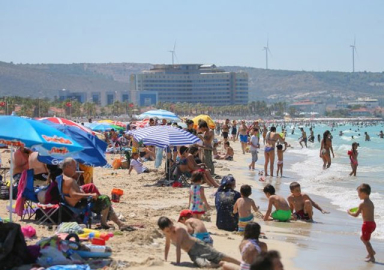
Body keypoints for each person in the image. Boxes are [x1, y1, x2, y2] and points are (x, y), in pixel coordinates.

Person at [61, 157, 134, 231]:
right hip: (79, 204)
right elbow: (73, 194)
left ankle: (119, 224)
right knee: (105, 199)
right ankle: (108, 223)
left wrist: (82, 190)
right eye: (74, 166)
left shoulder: (62, 178)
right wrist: (90, 195)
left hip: (72, 203)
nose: (76, 169)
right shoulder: (69, 180)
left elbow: (70, 192)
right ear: (68, 166)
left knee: (103, 199)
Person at [158, 216, 240, 267]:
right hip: (191, 252)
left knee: (219, 255)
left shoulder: (179, 229)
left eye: (171, 228)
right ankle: (221, 264)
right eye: (167, 231)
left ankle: (242, 264)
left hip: (198, 245)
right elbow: (167, 246)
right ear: (163, 231)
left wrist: (178, 263)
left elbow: (178, 247)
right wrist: (165, 259)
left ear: (172, 223)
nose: (170, 231)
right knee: (204, 265)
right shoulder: (168, 234)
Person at [347, 183, 376, 263]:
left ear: (363, 193)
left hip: (366, 225)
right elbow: (367, 211)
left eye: (359, 194)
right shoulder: (370, 203)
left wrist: (349, 212)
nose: (358, 195)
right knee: (363, 238)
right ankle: (371, 252)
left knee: (366, 241)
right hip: (373, 224)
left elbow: (356, 214)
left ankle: (372, 257)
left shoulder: (362, 204)